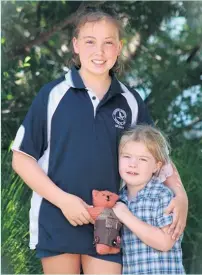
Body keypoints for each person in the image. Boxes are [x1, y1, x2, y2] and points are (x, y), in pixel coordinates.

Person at [11, 5, 188, 275]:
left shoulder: (130, 101)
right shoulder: (53, 95)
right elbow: (22, 159)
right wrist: (63, 200)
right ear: (75, 46)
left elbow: (156, 155)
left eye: (108, 43)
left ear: (119, 48)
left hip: (110, 220)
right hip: (57, 217)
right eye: (90, 42)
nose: (100, 51)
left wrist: (181, 195)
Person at [113, 125, 186, 274]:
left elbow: (165, 242)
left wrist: (126, 216)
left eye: (143, 159)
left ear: (156, 166)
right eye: (126, 156)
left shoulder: (162, 196)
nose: (133, 164)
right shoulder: (119, 200)